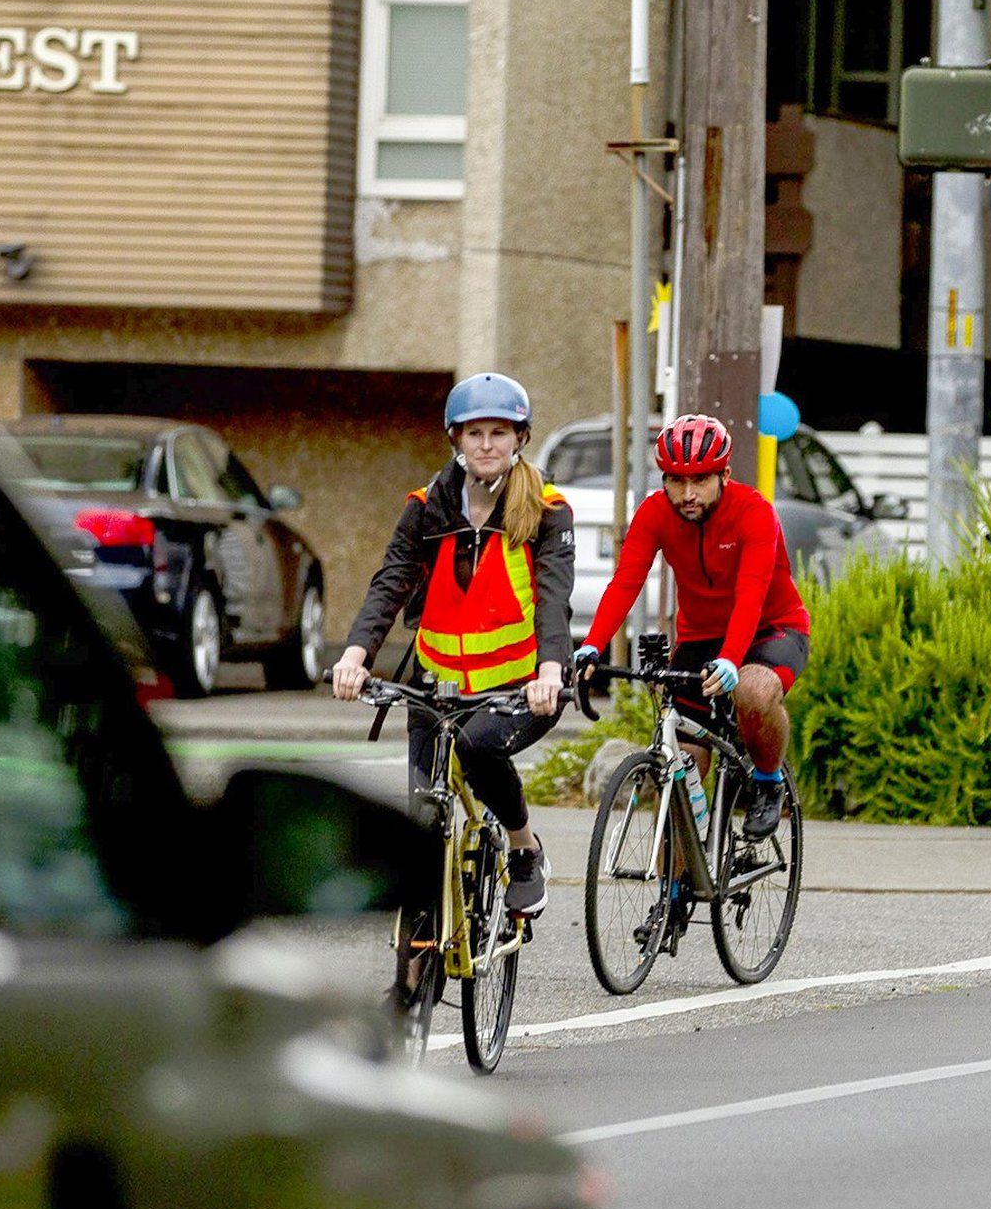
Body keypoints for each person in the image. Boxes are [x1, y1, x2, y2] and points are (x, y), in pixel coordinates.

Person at [332, 373, 575, 916]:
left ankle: (522, 847)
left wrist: (552, 670)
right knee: (420, 819)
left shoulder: (547, 510)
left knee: (478, 747)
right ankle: (415, 966)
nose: (486, 444)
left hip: (519, 685)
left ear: (521, 439)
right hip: (435, 683)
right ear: (455, 440)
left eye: (499, 432)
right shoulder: (426, 507)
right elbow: (391, 580)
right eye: (474, 433)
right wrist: (354, 656)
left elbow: (554, 597)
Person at [570, 414, 810, 841]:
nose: (687, 494)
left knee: (752, 691)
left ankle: (769, 784)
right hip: (701, 638)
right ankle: (674, 896)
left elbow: (751, 594)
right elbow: (627, 582)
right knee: (679, 771)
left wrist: (733, 659)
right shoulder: (654, 513)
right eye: (675, 481)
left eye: (699, 480)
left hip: (771, 630)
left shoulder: (754, 512)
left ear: (724, 474)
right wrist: (592, 645)